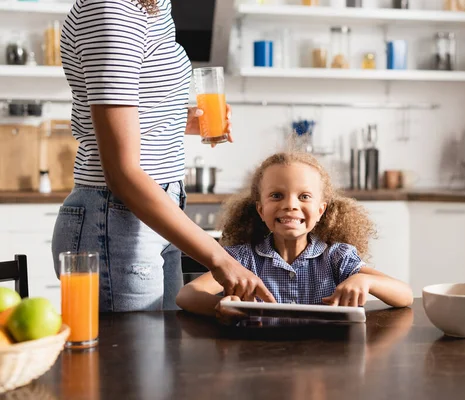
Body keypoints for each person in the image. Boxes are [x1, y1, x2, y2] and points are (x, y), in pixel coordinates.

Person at [51, 0, 275, 312]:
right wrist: (220, 257)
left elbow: (136, 115)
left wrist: (185, 121)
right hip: (117, 221)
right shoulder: (111, 10)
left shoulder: (153, 6)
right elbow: (121, 174)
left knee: (163, 356)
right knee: (134, 358)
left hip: (154, 212)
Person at [176, 152, 413, 322]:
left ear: (321, 210)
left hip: (325, 365)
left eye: (304, 197)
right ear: (260, 210)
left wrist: (366, 281)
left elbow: (404, 295)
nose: (290, 205)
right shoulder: (242, 260)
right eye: (277, 195)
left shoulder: (338, 257)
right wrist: (219, 306)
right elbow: (186, 295)